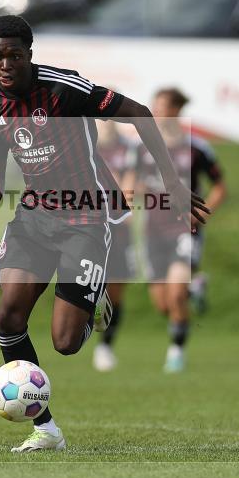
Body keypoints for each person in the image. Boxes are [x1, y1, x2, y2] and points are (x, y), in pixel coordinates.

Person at [0, 16, 208, 452]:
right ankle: (46, 429)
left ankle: (95, 304)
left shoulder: (65, 90)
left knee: (65, 342)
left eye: (14, 55)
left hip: (86, 216)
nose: (5, 64)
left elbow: (138, 113)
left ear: (29, 54)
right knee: (8, 313)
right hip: (34, 216)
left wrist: (173, 182)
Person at [134, 88, 227, 373]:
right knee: (162, 303)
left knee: (175, 296)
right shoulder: (143, 147)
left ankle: (176, 353)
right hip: (153, 231)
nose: (156, 111)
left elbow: (220, 186)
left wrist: (202, 212)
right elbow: (135, 183)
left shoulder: (197, 147)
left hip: (184, 231)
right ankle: (195, 288)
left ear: (176, 110)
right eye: (154, 106)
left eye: (161, 106)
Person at [92, 120, 137, 372]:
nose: (106, 122)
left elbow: (127, 187)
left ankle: (105, 347)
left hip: (119, 227)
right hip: (88, 224)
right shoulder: (84, 146)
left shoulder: (128, 149)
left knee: (116, 289)